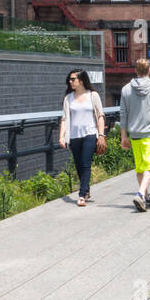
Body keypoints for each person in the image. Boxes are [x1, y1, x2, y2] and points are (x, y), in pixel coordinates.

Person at [118, 58, 150, 212]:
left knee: (140, 168)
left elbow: (123, 114)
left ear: (136, 70)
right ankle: (140, 193)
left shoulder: (126, 89)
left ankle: (145, 197)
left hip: (135, 134)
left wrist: (123, 136)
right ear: (149, 71)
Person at [59, 69, 105, 207]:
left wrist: (101, 135)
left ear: (81, 80)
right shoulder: (68, 98)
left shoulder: (93, 95)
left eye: (73, 79)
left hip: (90, 134)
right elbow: (64, 118)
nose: (70, 82)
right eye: (70, 79)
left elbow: (100, 116)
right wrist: (61, 136)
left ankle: (81, 194)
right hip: (74, 136)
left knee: (86, 164)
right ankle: (86, 189)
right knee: (79, 165)